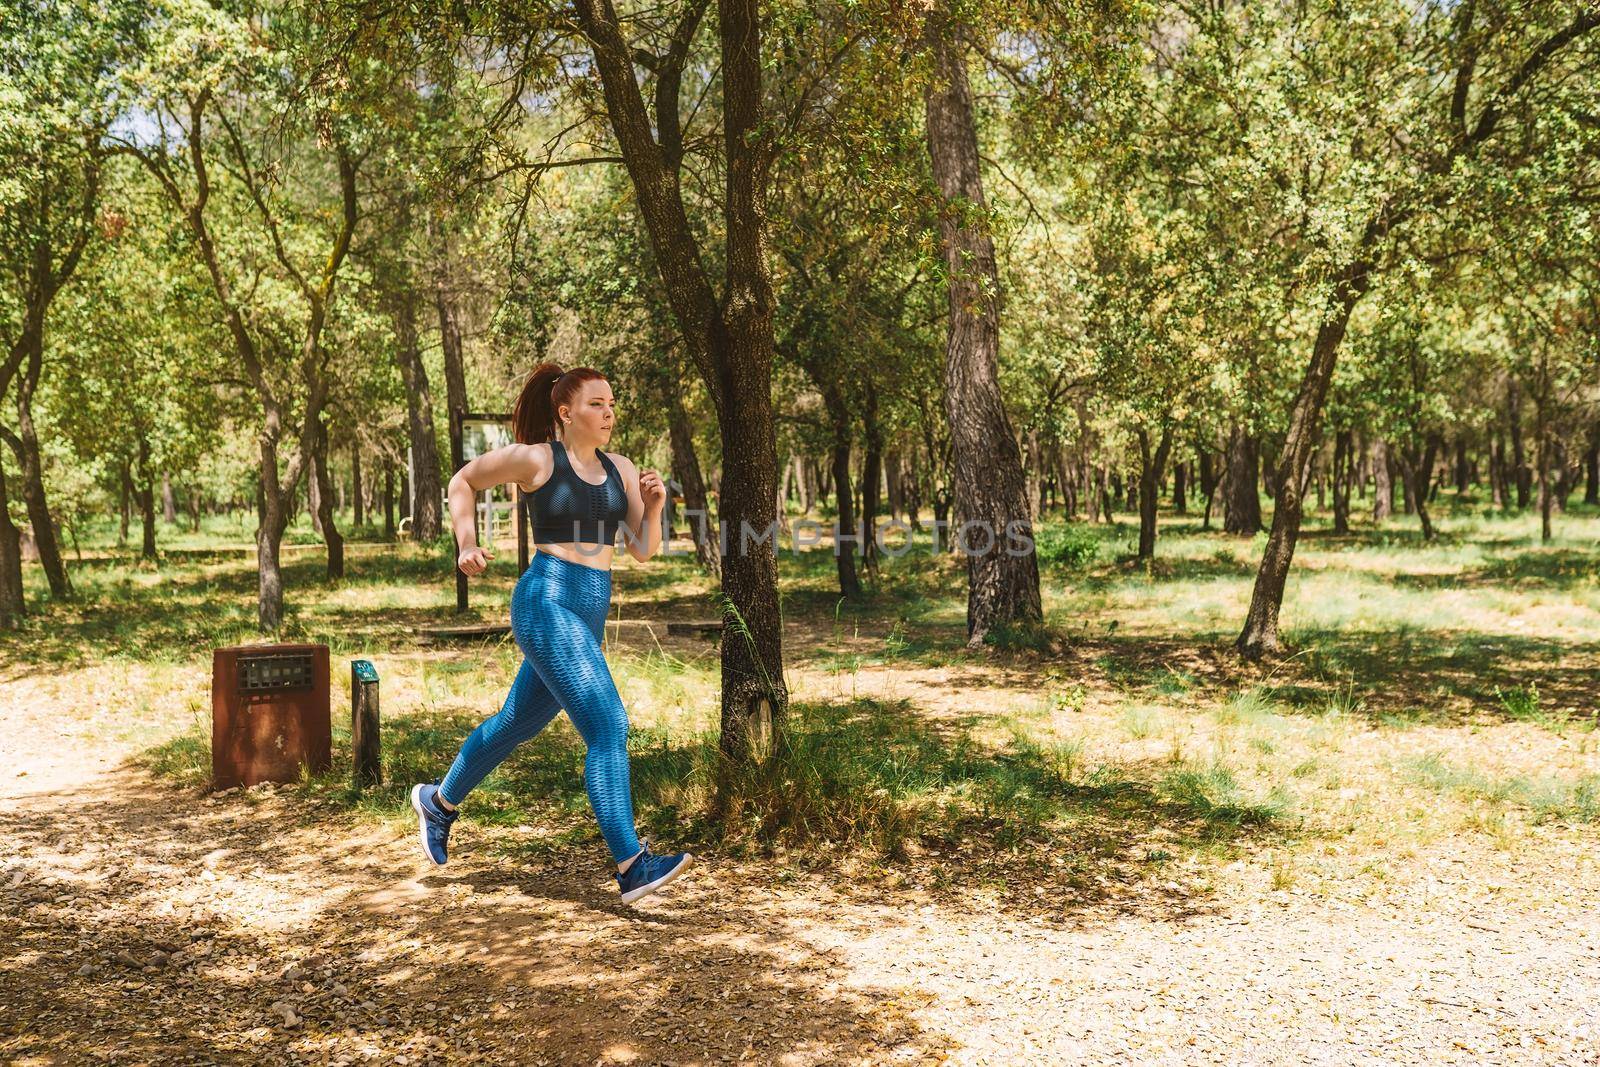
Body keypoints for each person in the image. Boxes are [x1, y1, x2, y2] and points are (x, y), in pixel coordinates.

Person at [410, 363, 695, 905]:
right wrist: (465, 544)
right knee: (609, 724)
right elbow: (462, 481)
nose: (608, 413)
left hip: (589, 607)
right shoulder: (538, 458)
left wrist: (654, 508)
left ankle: (437, 802)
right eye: (596, 404)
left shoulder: (622, 467)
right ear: (566, 412)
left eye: (611, 404)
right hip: (546, 599)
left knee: (516, 721)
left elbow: (641, 547)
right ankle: (632, 864)